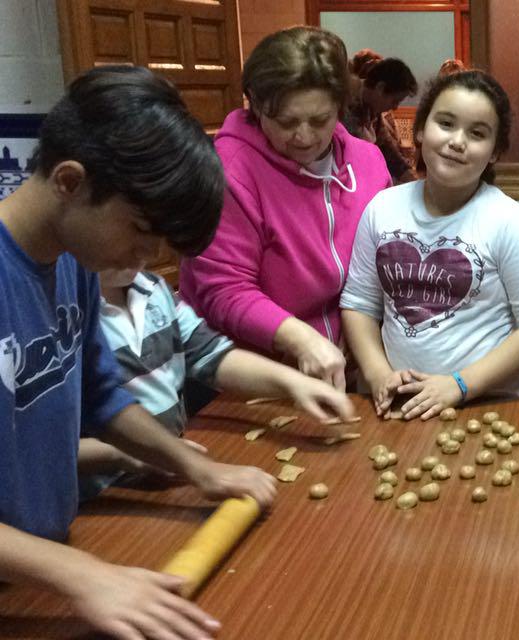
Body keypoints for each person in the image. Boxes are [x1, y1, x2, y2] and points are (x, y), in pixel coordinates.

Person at [0, 65, 276, 640]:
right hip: (43, 571)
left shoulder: (72, 259)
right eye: (140, 231)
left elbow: (101, 397)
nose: (147, 258)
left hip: (38, 569)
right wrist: (79, 575)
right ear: (71, 182)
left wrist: (196, 466)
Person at [179, 26, 392, 392]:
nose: (304, 136)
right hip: (250, 376)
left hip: (348, 367)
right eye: (286, 122)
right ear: (256, 105)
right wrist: (303, 339)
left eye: (320, 120)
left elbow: (384, 264)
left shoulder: (368, 161)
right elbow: (224, 290)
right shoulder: (231, 170)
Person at [341, 69, 519, 419]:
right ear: (419, 130)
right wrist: (378, 374)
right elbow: (359, 304)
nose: (458, 141)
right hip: (395, 408)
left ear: (494, 152)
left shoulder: (509, 221)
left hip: (487, 408)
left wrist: (459, 385)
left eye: (477, 133)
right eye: (445, 123)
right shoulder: (381, 208)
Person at [78, 267, 357, 496]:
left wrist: (293, 382)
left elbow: (211, 355)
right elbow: (46, 450)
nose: (147, 251)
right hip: (104, 496)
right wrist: (125, 453)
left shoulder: (153, 288)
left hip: (172, 478)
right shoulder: (68, 310)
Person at [345, 49, 418, 185]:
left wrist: (408, 175)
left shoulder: (372, 108)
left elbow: (386, 147)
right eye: (394, 101)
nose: (395, 107)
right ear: (380, 88)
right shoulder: (347, 105)